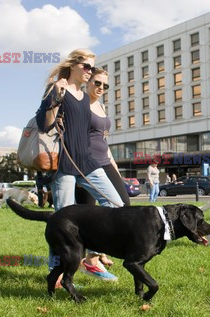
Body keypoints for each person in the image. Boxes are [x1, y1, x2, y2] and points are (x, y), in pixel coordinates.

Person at [36, 48, 124, 285]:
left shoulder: (85, 98)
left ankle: (91, 256)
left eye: (92, 67)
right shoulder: (57, 88)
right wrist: (55, 97)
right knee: (62, 223)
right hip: (63, 163)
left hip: (86, 161)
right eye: (86, 66)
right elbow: (43, 125)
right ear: (73, 65)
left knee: (116, 204)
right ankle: (57, 272)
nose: (89, 71)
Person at [75, 67, 130, 272]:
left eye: (105, 85)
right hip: (86, 164)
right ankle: (85, 260)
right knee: (86, 214)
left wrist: (113, 163)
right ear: (88, 81)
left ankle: (95, 255)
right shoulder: (79, 104)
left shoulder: (101, 106)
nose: (101, 88)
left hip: (105, 162)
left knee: (122, 205)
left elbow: (103, 139)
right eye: (97, 83)